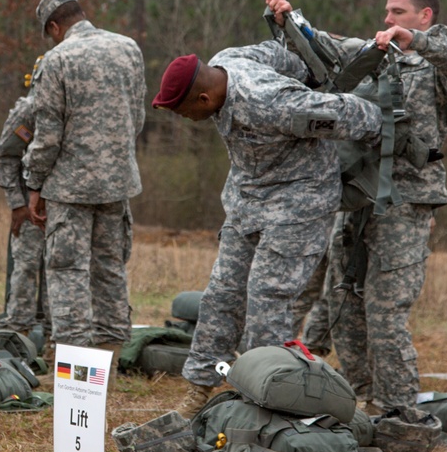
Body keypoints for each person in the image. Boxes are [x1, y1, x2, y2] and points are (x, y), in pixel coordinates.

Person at [266, 0, 447, 413]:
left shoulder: (436, 70)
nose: (388, 19)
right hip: (355, 199)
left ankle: (398, 414)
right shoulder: (374, 56)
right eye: (387, 11)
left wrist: (414, 40)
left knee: (385, 314)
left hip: (404, 203)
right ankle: (359, 404)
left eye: (398, 11)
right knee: (344, 306)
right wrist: (290, 19)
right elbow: (325, 46)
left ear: (424, 16)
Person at [152, 41, 384, 419]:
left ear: (204, 99)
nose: (186, 119)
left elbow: (358, 115)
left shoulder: (274, 104)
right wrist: (305, 72)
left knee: (266, 302)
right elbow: (279, 54)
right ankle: (200, 388)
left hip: (298, 205)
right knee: (221, 295)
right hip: (248, 200)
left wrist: (377, 129)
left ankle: (264, 400)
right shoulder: (226, 60)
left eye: (184, 111)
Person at [22, 0, 146, 389]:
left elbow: (47, 136)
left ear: (54, 26)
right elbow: (137, 118)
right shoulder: (128, 49)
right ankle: (107, 372)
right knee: (110, 271)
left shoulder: (58, 60)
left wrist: (33, 184)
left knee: (67, 273)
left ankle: (77, 381)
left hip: (69, 190)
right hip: (116, 185)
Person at [0, 55, 49, 338]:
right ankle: (18, 337)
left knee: (61, 275)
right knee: (25, 270)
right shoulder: (29, 110)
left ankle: (55, 340)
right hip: (30, 206)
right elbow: (5, 156)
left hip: (69, 206)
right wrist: (17, 204)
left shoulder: (79, 108)